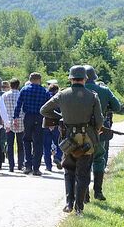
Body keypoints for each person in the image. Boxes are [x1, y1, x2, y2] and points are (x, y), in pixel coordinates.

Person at [40, 66, 103, 215]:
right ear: (85, 79)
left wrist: (61, 118)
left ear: (70, 78)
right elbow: (99, 121)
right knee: (83, 174)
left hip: (68, 140)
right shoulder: (93, 96)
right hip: (87, 140)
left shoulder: (62, 95)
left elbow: (44, 110)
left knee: (68, 171)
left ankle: (69, 203)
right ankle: (79, 208)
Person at [84, 65, 122, 201]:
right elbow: (118, 106)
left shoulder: (76, 90)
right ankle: (98, 192)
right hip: (99, 129)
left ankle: (84, 194)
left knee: (83, 160)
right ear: (94, 77)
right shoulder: (104, 91)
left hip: (80, 130)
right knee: (99, 158)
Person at [14, 72, 51, 175]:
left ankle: (28, 166)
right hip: (39, 117)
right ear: (39, 80)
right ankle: (36, 168)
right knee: (38, 143)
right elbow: (49, 106)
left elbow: (18, 105)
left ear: (30, 79)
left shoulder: (24, 90)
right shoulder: (44, 91)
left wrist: (15, 117)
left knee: (26, 140)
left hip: (28, 117)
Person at [0, 78, 25, 172]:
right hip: (21, 121)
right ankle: (20, 164)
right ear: (18, 85)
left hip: (8, 122)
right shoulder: (21, 95)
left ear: (10, 85)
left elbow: (1, 109)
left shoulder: (4, 95)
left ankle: (11, 165)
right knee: (20, 144)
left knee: (10, 145)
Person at [41, 82, 62, 171]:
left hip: (46, 123)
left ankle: (48, 166)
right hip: (56, 124)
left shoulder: (45, 97)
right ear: (57, 90)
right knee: (59, 144)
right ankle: (58, 157)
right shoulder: (58, 98)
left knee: (46, 146)